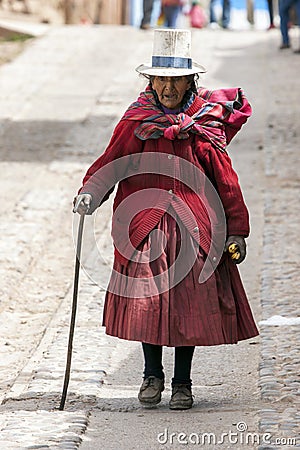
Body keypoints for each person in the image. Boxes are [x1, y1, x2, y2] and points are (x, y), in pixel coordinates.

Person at [73, 29, 259, 410]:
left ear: (190, 81)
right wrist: (90, 192)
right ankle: (151, 375)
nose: (168, 88)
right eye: (161, 80)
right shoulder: (135, 121)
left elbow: (226, 180)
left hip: (195, 230)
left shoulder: (204, 125)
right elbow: (111, 162)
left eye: (176, 80)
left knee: (190, 304)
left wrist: (236, 230)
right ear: (150, 81)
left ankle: (183, 383)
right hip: (145, 227)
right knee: (147, 301)